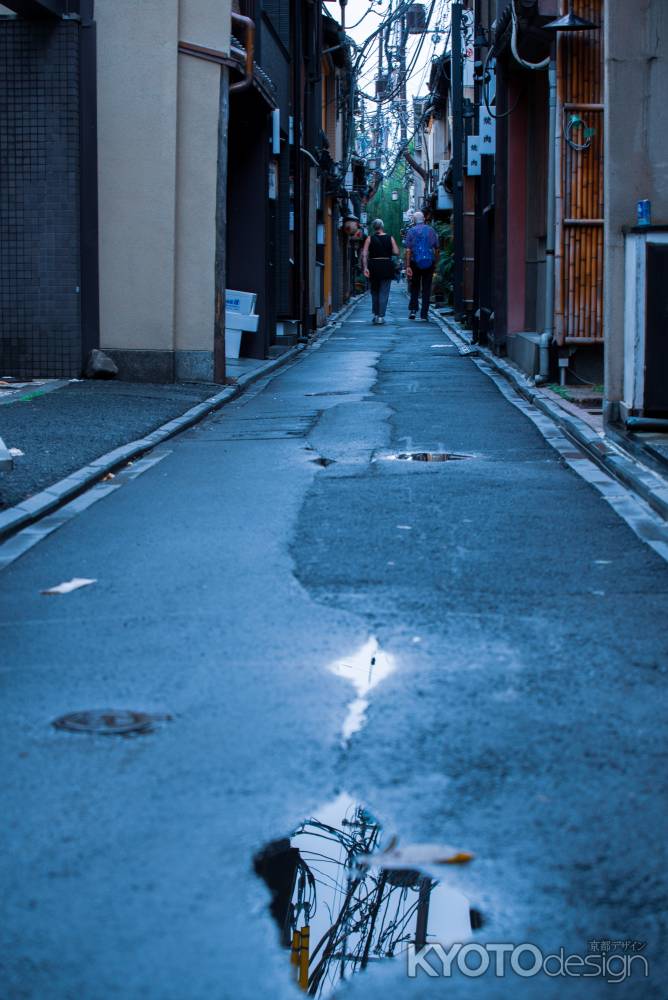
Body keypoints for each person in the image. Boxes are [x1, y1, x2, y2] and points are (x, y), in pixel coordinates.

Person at [362, 219, 400, 325]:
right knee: (384, 292)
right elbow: (397, 252)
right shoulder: (390, 238)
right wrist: (387, 251)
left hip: (373, 266)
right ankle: (381, 317)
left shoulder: (370, 238)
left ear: (374, 227)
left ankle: (375, 314)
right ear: (382, 226)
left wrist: (365, 268)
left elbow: (364, 254)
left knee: (374, 291)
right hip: (386, 266)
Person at [404, 210, 439, 321]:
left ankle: (413, 310)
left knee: (415, 287)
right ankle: (424, 314)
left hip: (415, 262)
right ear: (424, 219)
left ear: (414, 220)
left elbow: (408, 250)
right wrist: (436, 263)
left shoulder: (411, 231)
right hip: (429, 262)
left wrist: (408, 265)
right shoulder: (431, 231)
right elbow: (437, 248)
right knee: (426, 288)